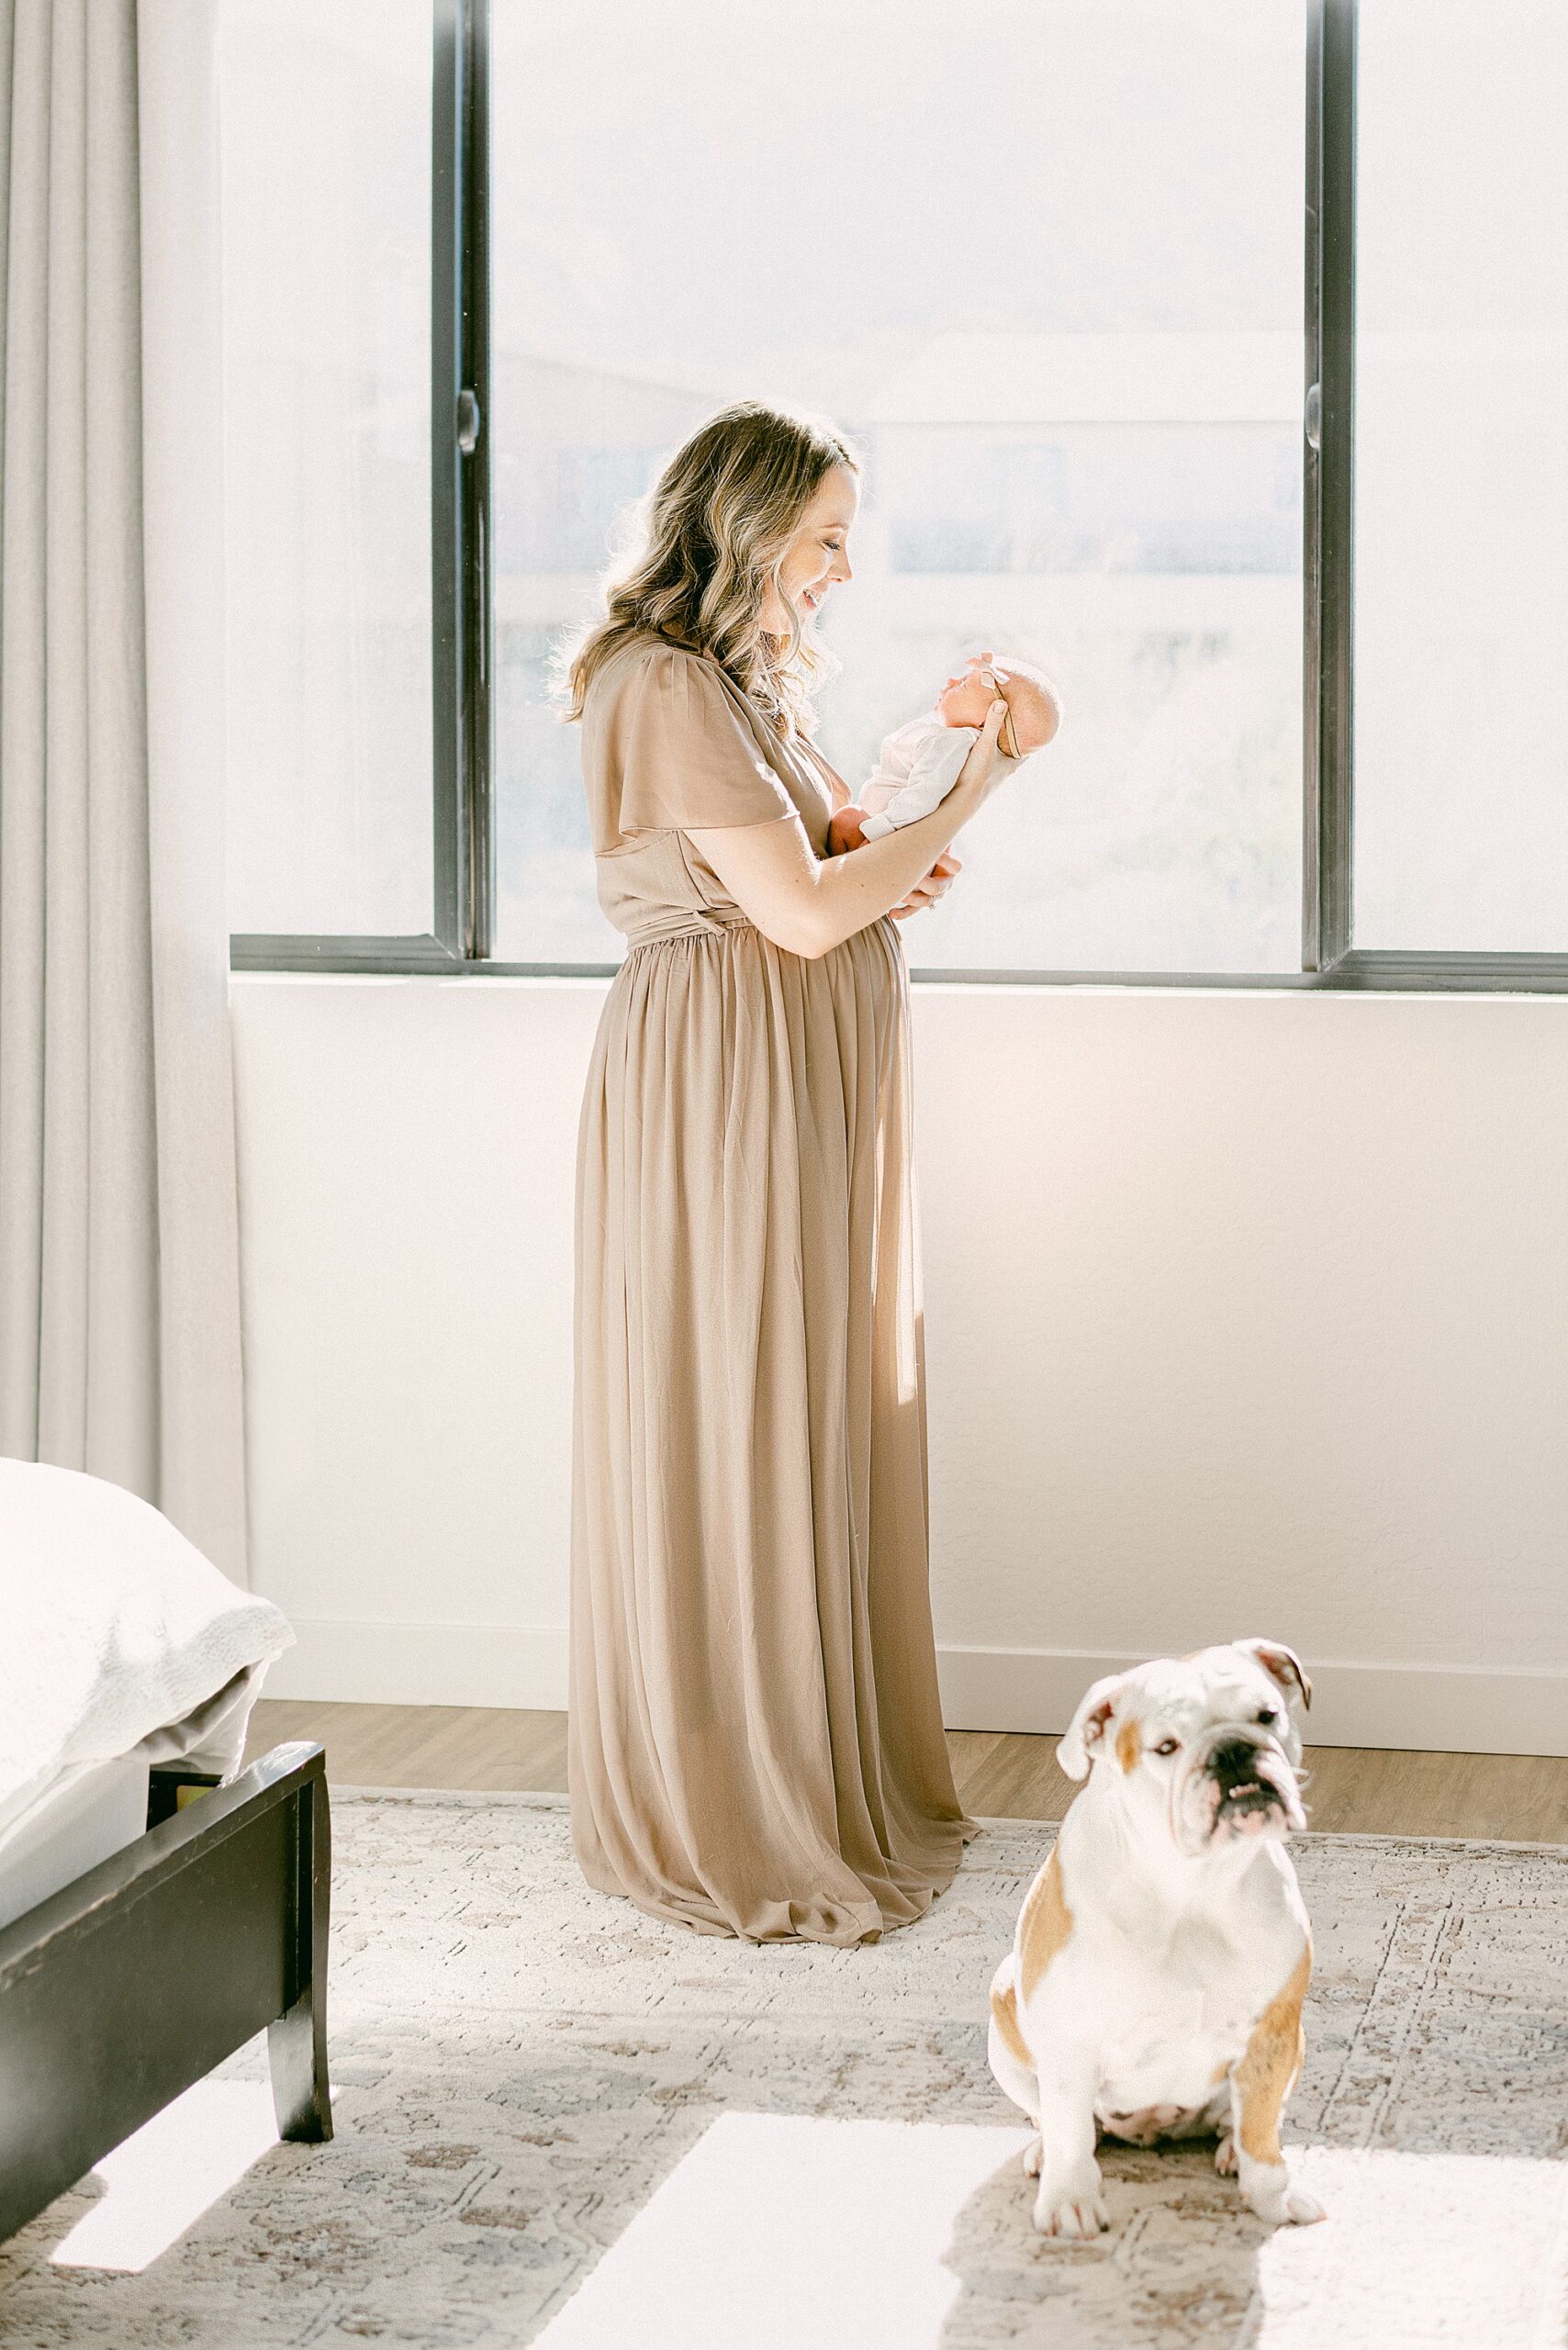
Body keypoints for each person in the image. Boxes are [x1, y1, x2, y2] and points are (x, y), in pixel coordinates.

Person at [560, 399, 1018, 1945]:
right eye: (822, 533)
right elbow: (805, 915)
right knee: (734, 1402)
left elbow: (818, 865)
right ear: (746, 527)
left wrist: (904, 801)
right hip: (727, 1079)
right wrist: (974, 792)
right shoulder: (664, 680)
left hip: (788, 1069)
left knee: (801, 1401)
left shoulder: (733, 686)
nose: (839, 564)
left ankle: (794, 1762)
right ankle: (730, 1789)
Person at [834, 652, 1060, 846]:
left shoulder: (952, 742)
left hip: (884, 833)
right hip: (886, 831)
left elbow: (924, 794)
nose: (951, 681)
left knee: (846, 818)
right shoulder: (953, 742)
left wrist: (877, 831)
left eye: (963, 685)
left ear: (988, 719)